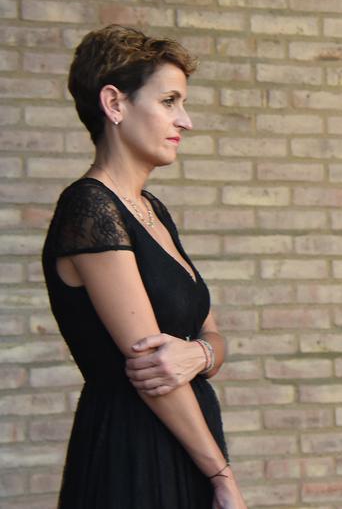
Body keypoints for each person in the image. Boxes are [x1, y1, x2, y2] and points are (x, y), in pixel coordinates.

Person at [42, 25, 247, 508]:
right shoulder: (90, 209)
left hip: (184, 444)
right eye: (170, 101)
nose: (186, 121)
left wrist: (200, 356)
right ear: (115, 104)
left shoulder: (151, 209)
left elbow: (211, 335)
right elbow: (150, 366)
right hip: (134, 454)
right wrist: (222, 475)